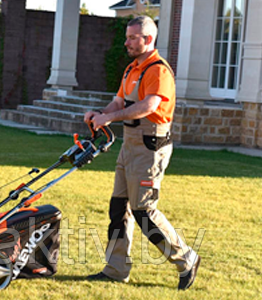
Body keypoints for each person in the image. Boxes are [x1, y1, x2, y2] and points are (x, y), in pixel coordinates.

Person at [84, 16, 200, 290]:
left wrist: (112, 118)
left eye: (132, 38)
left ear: (148, 39)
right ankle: (115, 269)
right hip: (129, 144)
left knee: (144, 210)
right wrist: (101, 115)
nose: (126, 42)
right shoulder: (131, 69)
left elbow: (149, 105)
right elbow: (118, 101)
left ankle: (186, 257)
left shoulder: (158, 70)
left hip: (150, 147)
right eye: (126, 37)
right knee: (118, 208)